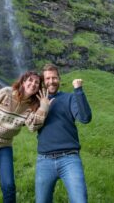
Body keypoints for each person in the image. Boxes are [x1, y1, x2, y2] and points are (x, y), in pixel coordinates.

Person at [0, 70, 52, 203]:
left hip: (4, 145)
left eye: (36, 82)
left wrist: (43, 107)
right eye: (30, 80)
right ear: (23, 82)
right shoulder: (6, 92)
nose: (33, 84)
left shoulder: (32, 105)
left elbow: (32, 127)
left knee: (9, 185)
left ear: (38, 88)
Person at [35, 64, 92, 203]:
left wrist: (78, 90)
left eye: (54, 77)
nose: (51, 81)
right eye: (47, 78)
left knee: (80, 200)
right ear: (43, 81)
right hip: (44, 160)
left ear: (59, 79)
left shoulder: (69, 98)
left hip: (70, 159)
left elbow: (85, 118)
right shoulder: (37, 101)